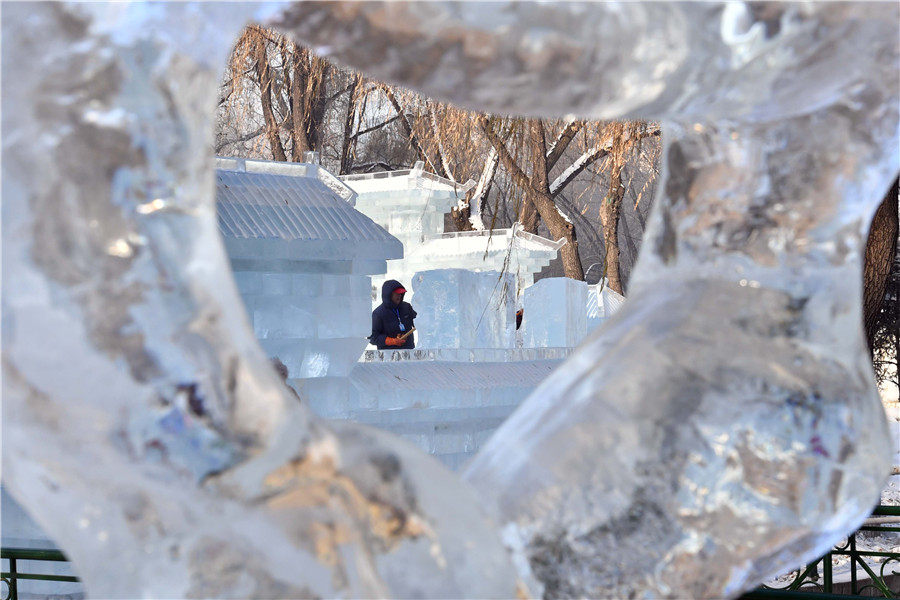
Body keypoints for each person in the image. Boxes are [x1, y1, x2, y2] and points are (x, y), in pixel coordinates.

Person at [369, 280, 417, 350]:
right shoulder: (378, 314)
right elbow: (372, 337)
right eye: (396, 293)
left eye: (401, 293)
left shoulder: (407, 307)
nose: (399, 296)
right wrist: (391, 341)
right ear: (388, 295)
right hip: (388, 357)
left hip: (409, 353)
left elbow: (419, 322)